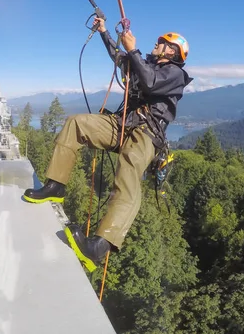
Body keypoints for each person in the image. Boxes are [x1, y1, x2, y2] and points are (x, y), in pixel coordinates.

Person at [23, 17, 193, 272]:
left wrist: (133, 50)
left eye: (162, 42)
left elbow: (151, 82)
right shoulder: (144, 63)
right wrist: (104, 32)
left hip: (147, 133)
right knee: (76, 123)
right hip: (123, 124)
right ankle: (55, 185)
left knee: (127, 175)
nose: (157, 44)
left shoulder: (175, 74)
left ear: (173, 52)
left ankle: (98, 247)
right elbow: (119, 57)